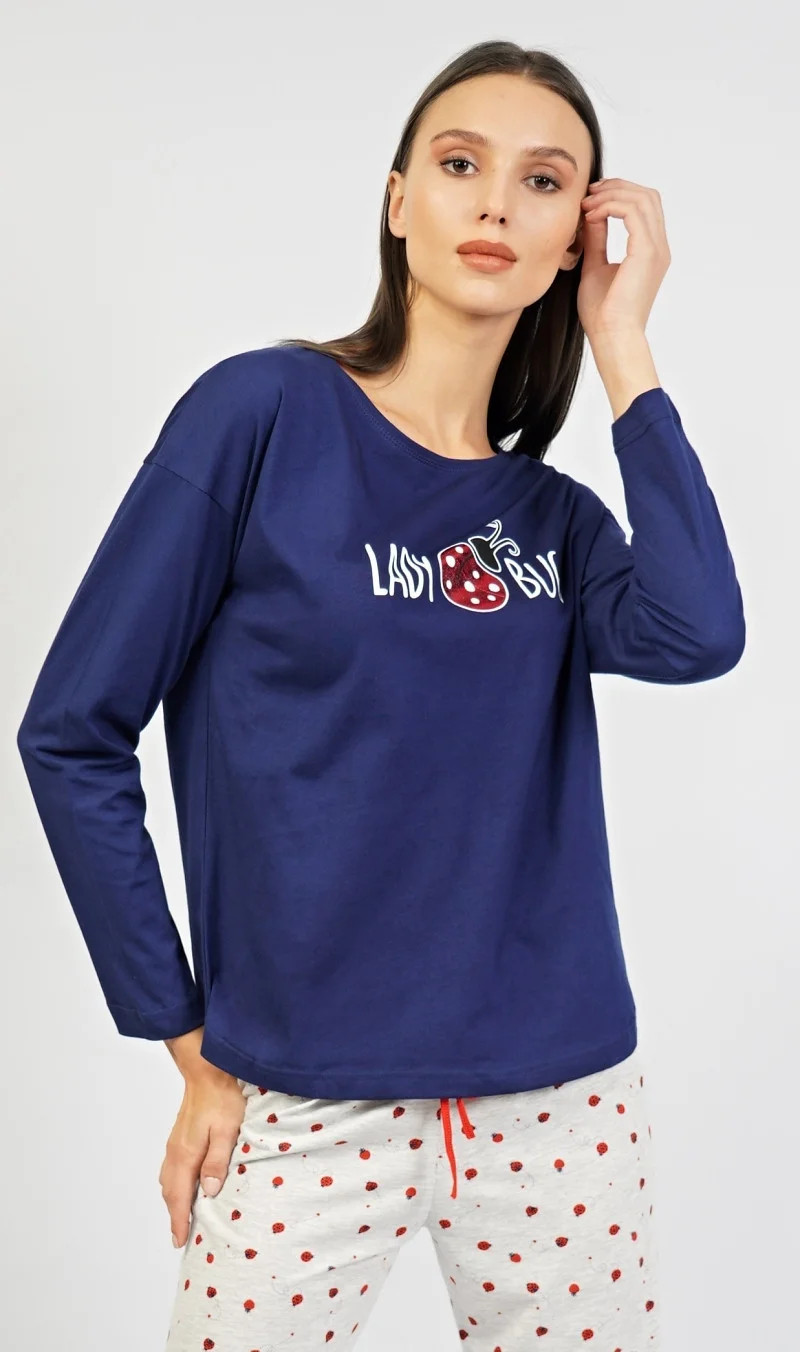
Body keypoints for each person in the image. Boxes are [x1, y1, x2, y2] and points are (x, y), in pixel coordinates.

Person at [16, 38, 745, 1352]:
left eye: (543, 182)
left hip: (560, 1107)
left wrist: (625, 344)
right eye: (461, 164)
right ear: (399, 199)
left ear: (574, 241)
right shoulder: (262, 414)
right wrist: (182, 1035)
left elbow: (700, 633)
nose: (495, 202)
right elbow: (71, 732)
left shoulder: (554, 522)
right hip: (300, 1100)